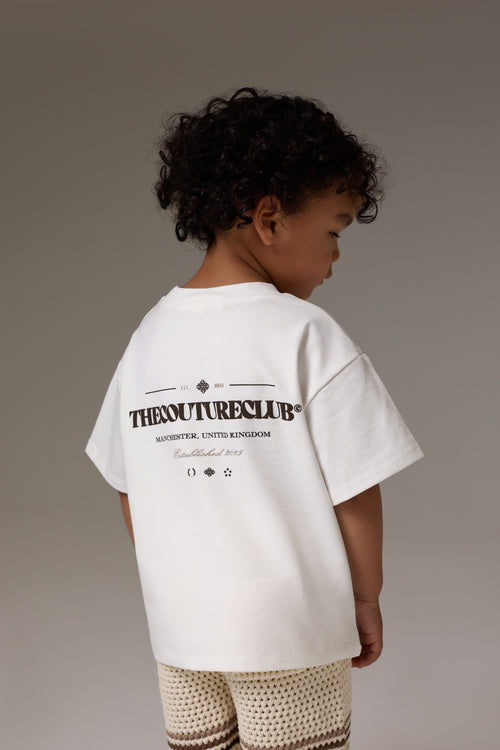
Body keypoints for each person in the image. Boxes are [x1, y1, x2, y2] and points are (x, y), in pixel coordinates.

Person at [84, 86, 424, 750]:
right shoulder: (306, 334)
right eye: (333, 231)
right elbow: (355, 488)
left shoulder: (148, 336)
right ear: (270, 218)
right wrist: (364, 597)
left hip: (182, 629)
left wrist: (177, 578)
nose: (336, 256)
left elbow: (128, 484)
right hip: (290, 629)